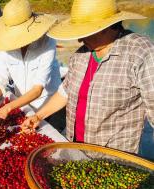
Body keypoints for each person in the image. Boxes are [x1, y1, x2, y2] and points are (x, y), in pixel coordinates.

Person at [22, 0, 154, 154]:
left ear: (106, 28)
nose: (79, 39)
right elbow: (65, 92)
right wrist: (39, 116)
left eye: (85, 32)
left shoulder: (141, 52)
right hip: (75, 145)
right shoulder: (81, 55)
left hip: (114, 156)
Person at [0, 0, 62, 121]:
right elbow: (0, 81)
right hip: (21, 102)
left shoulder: (47, 42)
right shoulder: (5, 44)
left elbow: (37, 89)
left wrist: (8, 108)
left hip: (46, 103)